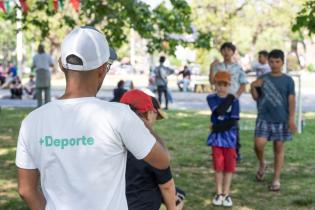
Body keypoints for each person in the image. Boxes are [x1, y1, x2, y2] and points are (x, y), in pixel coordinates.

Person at [16, 26, 170, 210]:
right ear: (102, 70)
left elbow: (26, 190)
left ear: (61, 65)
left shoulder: (31, 122)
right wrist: (144, 123)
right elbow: (163, 160)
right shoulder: (119, 115)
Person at [120, 90, 184, 210]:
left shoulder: (110, 139)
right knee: (179, 196)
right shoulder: (151, 146)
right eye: (155, 115)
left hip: (115, 203)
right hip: (142, 205)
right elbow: (167, 186)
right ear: (149, 113)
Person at [250, 49, 296, 192]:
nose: (274, 64)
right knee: (259, 144)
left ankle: (276, 179)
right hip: (264, 117)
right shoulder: (263, 78)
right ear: (268, 62)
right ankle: (262, 163)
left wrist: (291, 119)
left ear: (282, 62)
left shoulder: (288, 80)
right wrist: (253, 87)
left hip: (281, 119)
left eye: (277, 61)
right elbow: (256, 97)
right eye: (271, 61)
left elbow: (291, 100)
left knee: (278, 148)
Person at [209, 42, 248, 161]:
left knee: (233, 124)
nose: (226, 52)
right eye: (223, 50)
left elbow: (243, 84)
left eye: (229, 50)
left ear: (233, 52)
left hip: (232, 100)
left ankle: (235, 150)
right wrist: (211, 67)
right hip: (219, 100)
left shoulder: (238, 67)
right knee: (217, 123)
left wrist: (235, 97)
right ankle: (218, 148)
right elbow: (211, 81)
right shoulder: (217, 66)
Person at [207, 71, 240, 207]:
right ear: (215, 84)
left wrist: (216, 127)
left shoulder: (235, 100)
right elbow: (219, 111)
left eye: (225, 85)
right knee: (218, 166)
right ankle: (219, 193)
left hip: (230, 139)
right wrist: (231, 98)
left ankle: (226, 194)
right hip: (217, 140)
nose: (222, 87)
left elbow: (234, 121)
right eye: (219, 84)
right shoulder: (211, 98)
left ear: (229, 85)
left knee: (229, 168)